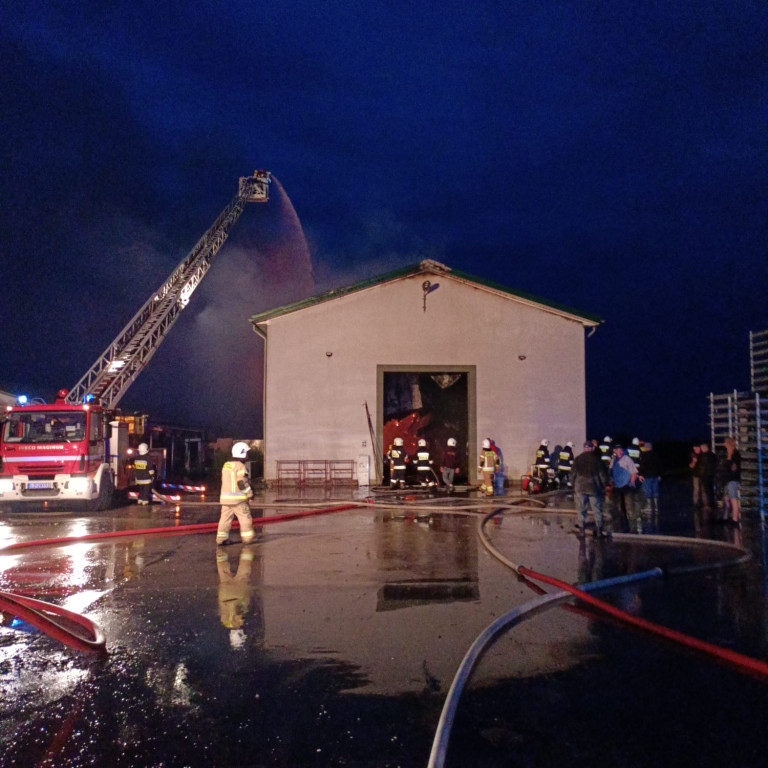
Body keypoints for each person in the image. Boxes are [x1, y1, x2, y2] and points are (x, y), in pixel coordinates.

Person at [217, 442, 256, 545]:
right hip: (238, 500)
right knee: (245, 518)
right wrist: (250, 494)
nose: (247, 455)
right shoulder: (240, 466)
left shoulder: (226, 465)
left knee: (225, 519)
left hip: (225, 500)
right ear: (242, 453)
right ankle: (248, 539)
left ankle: (221, 539)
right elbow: (242, 483)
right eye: (246, 453)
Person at [572, 441, 608, 537]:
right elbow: (602, 475)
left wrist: (573, 485)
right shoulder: (597, 460)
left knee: (581, 509)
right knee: (597, 509)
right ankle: (599, 530)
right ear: (592, 448)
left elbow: (573, 474)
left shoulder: (578, 459)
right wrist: (604, 486)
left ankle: (582, 529)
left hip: (580, 487)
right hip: (594, 488)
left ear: (584, 448)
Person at [610, 444, 640, 532]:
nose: (620, 451)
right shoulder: (613, 460)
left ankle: (633, 528)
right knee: (619, 508)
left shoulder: (627, 459)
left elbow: (633, 472)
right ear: (614, 451)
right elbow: (611, 472)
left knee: (629, 508)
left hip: (626, 486)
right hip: (617, 487)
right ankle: (622, 527)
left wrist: (631, 482)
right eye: (617, 449)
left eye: (621, 449)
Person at [638, 440, 661, 519]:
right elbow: (659, 465)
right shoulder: (656, 455)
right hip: (655, 476)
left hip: (647, 476)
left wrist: (640, 474)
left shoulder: (644, 455)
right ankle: (656, 507)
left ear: (646, 447)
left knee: (647, 491)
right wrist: (659, 475)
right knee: (655, 491)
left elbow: (642, 465)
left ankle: (649, 507)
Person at [721, 437, 742, 524]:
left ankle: (735, 519)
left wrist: (729, 459)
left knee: (733, 500)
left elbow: (733, 467)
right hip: (728, 480)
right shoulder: (731, 454)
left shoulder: (734, 455)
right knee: (727, 499)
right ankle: (725, 517)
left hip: (732, 480)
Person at [698, 442, 717, 513]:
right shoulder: (713, 455)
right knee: (711, 490)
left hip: (705, 476)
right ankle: (712, 504)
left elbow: (703, 467)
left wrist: (700, 475)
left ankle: (709, 505)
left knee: (707, 491)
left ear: (704, 448)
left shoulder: (704, 456)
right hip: (711, 475)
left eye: (701, 448)